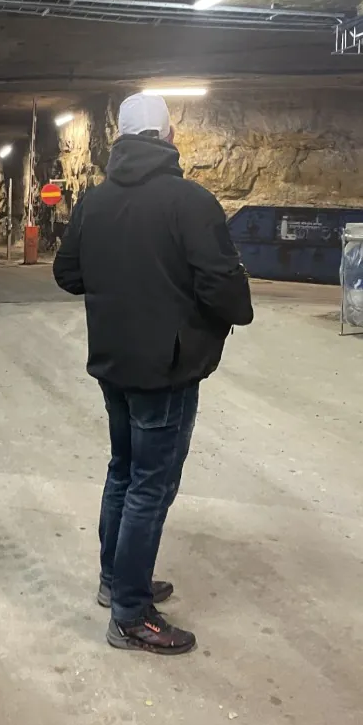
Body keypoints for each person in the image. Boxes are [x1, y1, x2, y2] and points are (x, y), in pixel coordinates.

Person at [53, 93, 253, 656]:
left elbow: (67, 273)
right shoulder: (191, 202)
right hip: (166, 368)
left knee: (123, 471)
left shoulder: (94, 202)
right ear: (169, 138)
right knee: (150, 486)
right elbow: (222, 285)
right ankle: (130, 614)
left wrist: (116, 287)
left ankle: (116, 580)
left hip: (113, 362)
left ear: (119, 138)